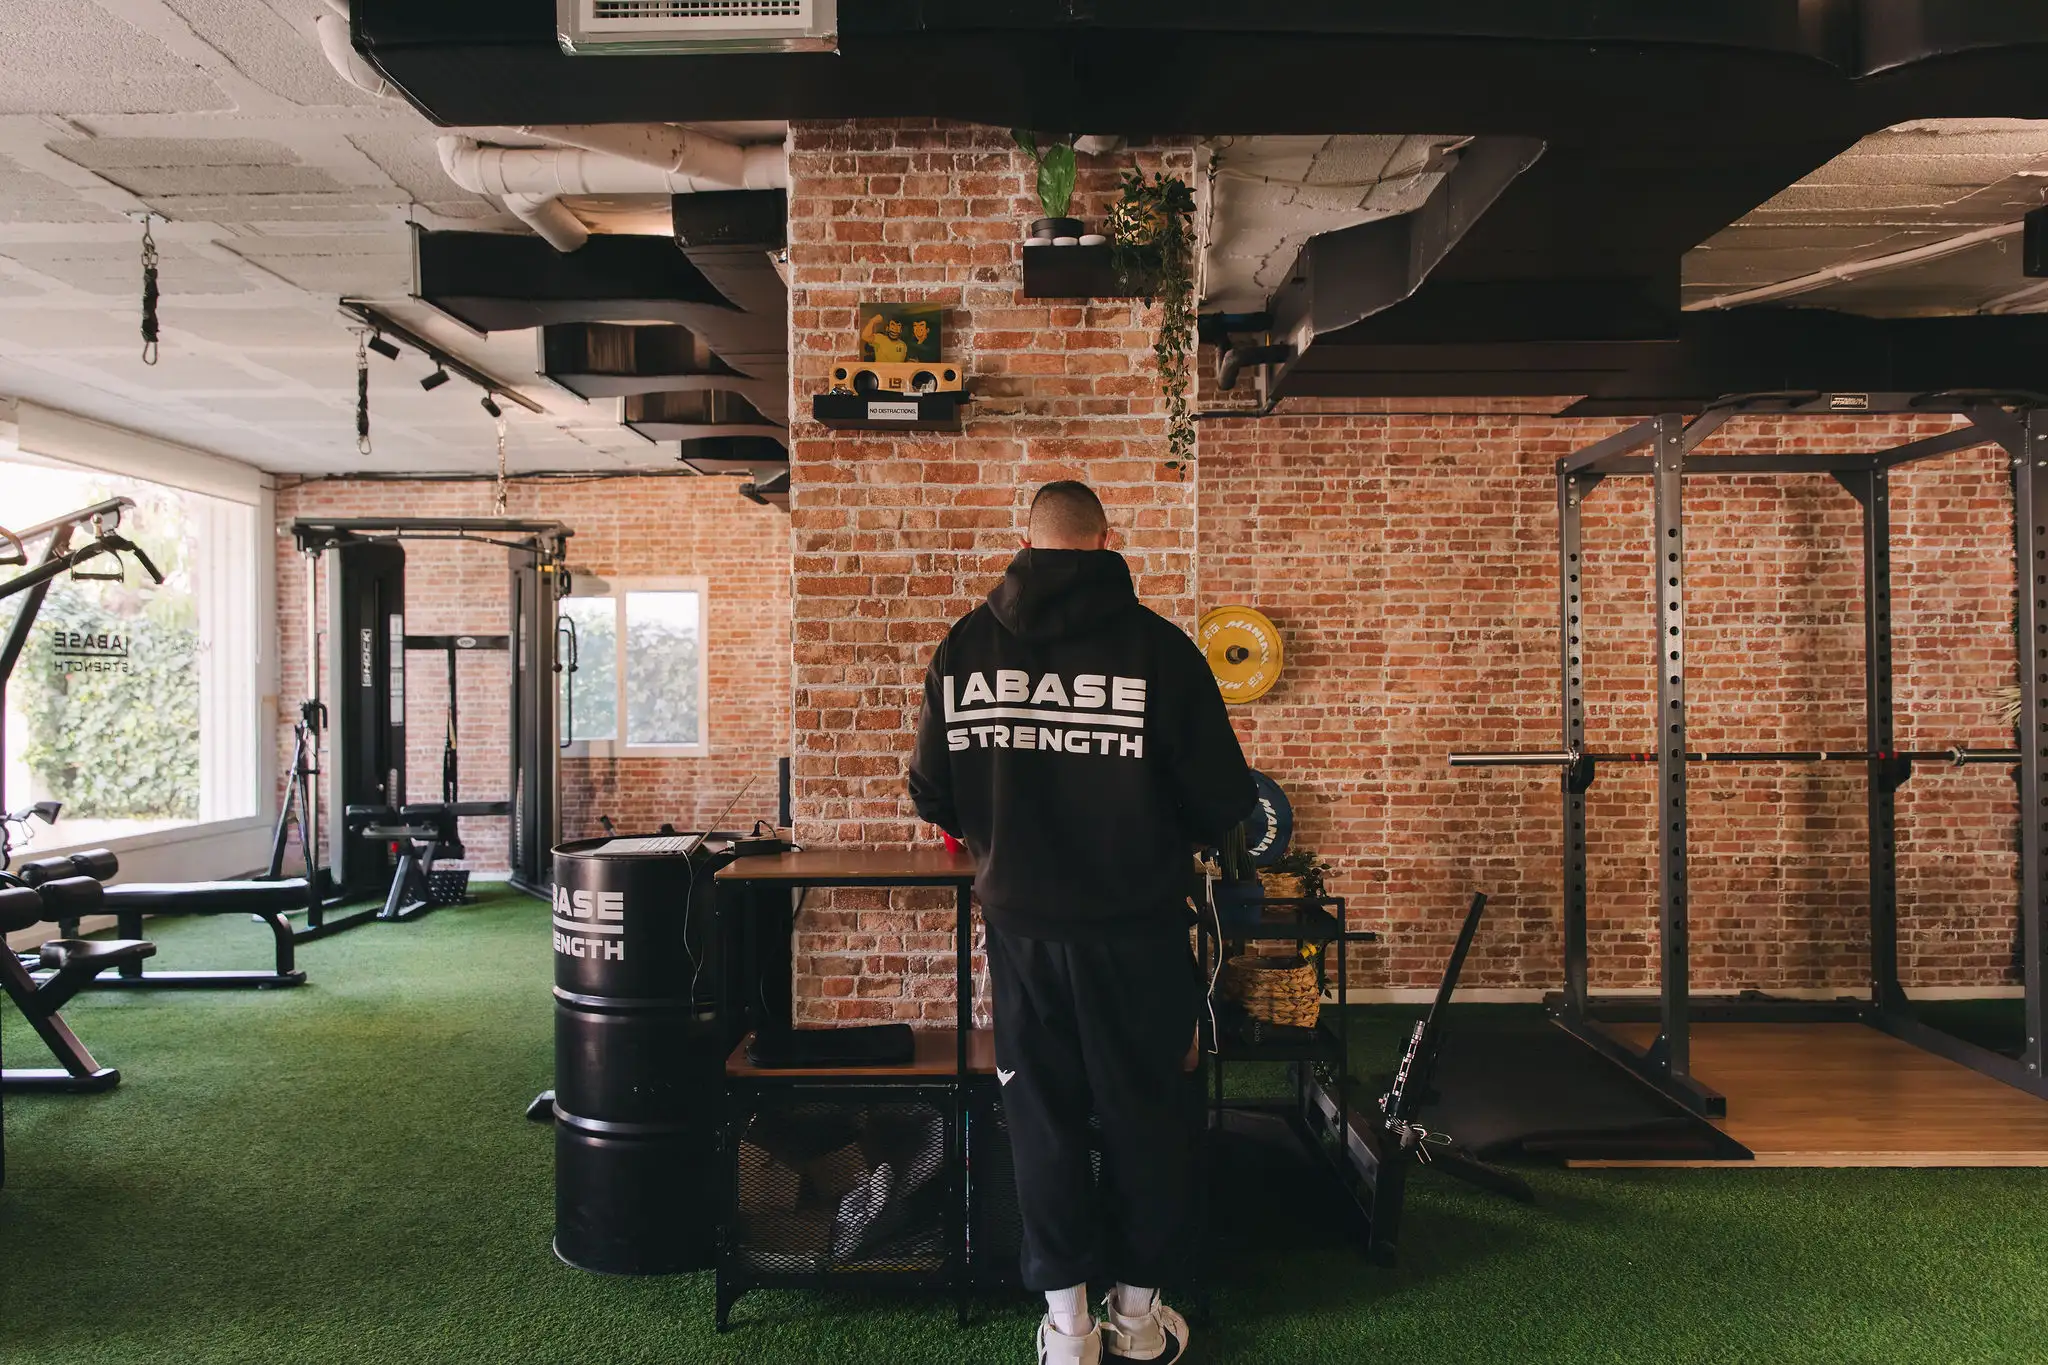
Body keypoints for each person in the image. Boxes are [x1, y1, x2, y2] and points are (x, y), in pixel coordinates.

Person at [908, 480, 1255, 1364]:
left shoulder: (965, 647)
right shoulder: (1162, 652)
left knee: (1043, 1121)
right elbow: (1225, 799)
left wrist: (998, 832)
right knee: (1148, 1117)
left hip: (1023, 933)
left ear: (1026, 541)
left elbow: (930, 790)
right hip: (1135, 932)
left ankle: (1069, 1332)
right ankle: (1137, 1320)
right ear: (1105, 537)